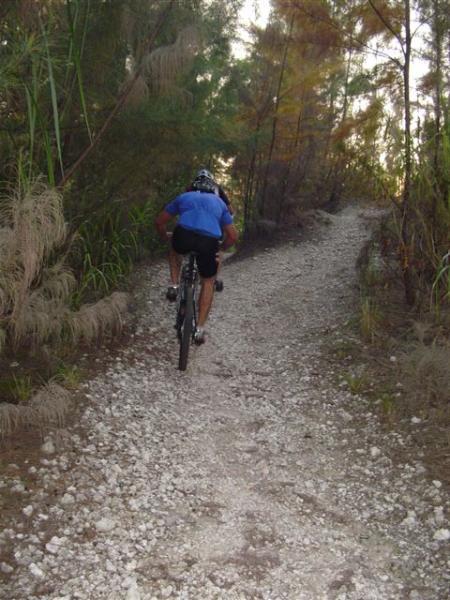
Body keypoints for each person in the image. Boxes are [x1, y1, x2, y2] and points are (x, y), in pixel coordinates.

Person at [155, 173, 238, 344]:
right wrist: (221, 247)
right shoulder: (220, 203)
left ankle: (174, 285)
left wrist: (165, 237)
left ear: (192, 188)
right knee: (208, 281)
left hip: (183, 236)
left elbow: (159, 222)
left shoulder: (184, 197)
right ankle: (199, 329)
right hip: (208, 242)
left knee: (173, 247)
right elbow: (232, 236)